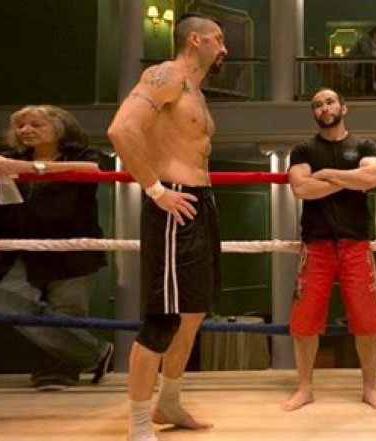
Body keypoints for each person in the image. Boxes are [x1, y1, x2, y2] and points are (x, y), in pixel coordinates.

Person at [107, 13, 227, 441]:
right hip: (172, 202)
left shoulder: (196, 89)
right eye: (218, 38)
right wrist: (156, 190)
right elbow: (121, 129)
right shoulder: (166, 76)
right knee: (163, 319)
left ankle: (169, 401)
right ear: (194, 40)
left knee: (193, 312)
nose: (224, 48)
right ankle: (139, 424)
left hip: (199, 202)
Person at [0, 105, 112, 391]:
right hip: (13, 247)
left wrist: (29, 169)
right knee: (7, 302)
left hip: (72, 249)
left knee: (67, 310)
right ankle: (95, 353)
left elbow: (91, 170)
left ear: (60, 129)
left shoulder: (82, 156)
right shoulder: (9, 158)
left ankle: (55, 373)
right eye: (20, 125)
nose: (25, 130)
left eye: (35, 125)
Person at [282, 87, 376, 413]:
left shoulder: (364, 146)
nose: (324, 108)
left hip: (355, 243)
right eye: (317, 105)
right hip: (316, 244)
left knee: (367, 320)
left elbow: (371, 177)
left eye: (329, 102)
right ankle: (305, 388)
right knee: (304, 321)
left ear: (344, 107)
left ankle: (370, 389)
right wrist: (348, 180)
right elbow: (301, 187)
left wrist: (328, 175)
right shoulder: (303, 149)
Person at [350, 27, 376, 95]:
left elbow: (374, 59)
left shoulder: (371, 43)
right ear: (375, 35)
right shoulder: (365, 41)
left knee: (375, 70)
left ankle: (373, 91)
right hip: (353, 66)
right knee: (374, 70)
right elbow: (368, 56)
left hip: (362, 66)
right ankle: (374, 91)